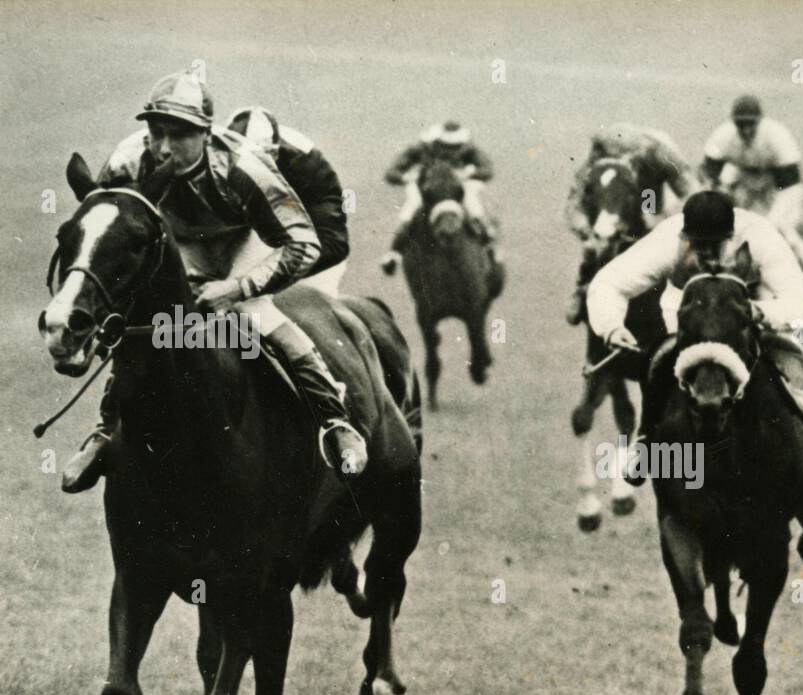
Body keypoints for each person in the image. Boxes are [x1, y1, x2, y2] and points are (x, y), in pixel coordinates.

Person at [62, 70, 366, 494]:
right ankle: (103, 431)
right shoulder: (129, 158)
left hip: (246, 240)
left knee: (251, 313)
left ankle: (335, 420)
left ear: (206, 133)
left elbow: (303, 242)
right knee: (154, 318)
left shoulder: (244, 168)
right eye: (156, 132)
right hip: (182, 241)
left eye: (180, 135)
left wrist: (237, 287)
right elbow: (106, 218)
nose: (164, 147)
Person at [586, 190, 803, 476]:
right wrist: (611, 326)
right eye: (698, 244)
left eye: (713, 245)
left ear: (730, 237)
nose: (706, 254)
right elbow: (609, 282)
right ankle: (647, 439)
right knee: (659, 360)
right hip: (689, 309)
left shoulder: (759, 235)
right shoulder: (668, 238)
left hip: (748, 310)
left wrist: (762, 312)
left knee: (793, 355)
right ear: (685, 236)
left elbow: (802, 301)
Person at [563, 122, 698, 324]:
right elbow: (574, 205)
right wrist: (585, 230)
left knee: (660, 230)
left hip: (647, 200)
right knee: (594, 248)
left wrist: (668, 216)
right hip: (608, 225)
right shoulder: (594, 159)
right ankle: (583, 287)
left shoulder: (656, 153)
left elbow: (691, 190)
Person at [225, 106, 349, 297]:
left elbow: (334, 244)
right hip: (251, 236)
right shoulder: (214, 154)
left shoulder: (307, 165)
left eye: (260, 160)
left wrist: (262, 278)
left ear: (276, 153)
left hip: (304, 249)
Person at [701, 95, 803, 287]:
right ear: (733, 122)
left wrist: (771, 220)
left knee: (780, 227)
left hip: (779, 185)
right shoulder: (723, 136)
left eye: (751, 124)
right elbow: (708, 177)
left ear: (759, 121)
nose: (746, 130)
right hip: (743, 180)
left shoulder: (778, 136)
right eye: (741, 124)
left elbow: (790, 184)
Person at [380, 119, 497, 275]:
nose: (449, 150)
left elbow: (487, 169)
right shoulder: (421, 149)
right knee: (412, 207)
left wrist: (470, 173)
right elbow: (391, 172)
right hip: (427, 188)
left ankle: (488, 244)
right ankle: (394, 254)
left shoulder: (467, 149)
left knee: (472, 203)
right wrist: (406, 177)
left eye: (454, 146)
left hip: (456, 187)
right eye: (445, 145)